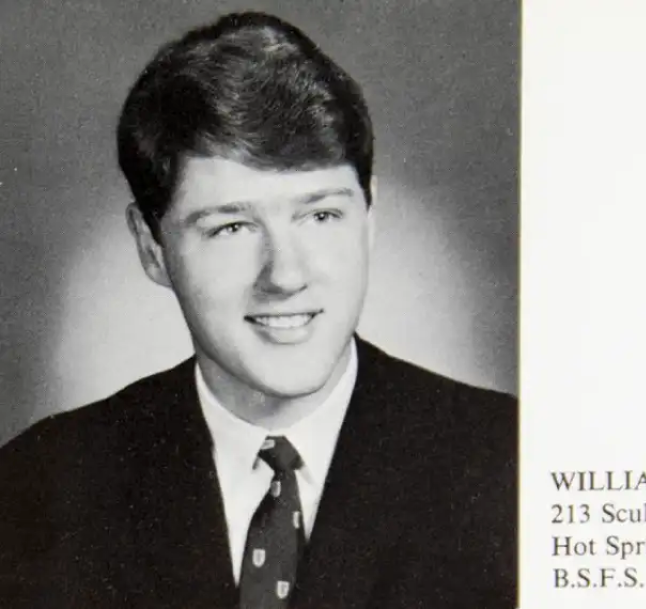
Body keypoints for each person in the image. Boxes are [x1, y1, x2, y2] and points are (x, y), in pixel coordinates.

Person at [0, 11, 517, 609]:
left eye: (321, 216)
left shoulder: (512, 460)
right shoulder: (36, 485)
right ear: (152, 248)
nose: (286, 275)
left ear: (368, 223)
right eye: (232, 226)